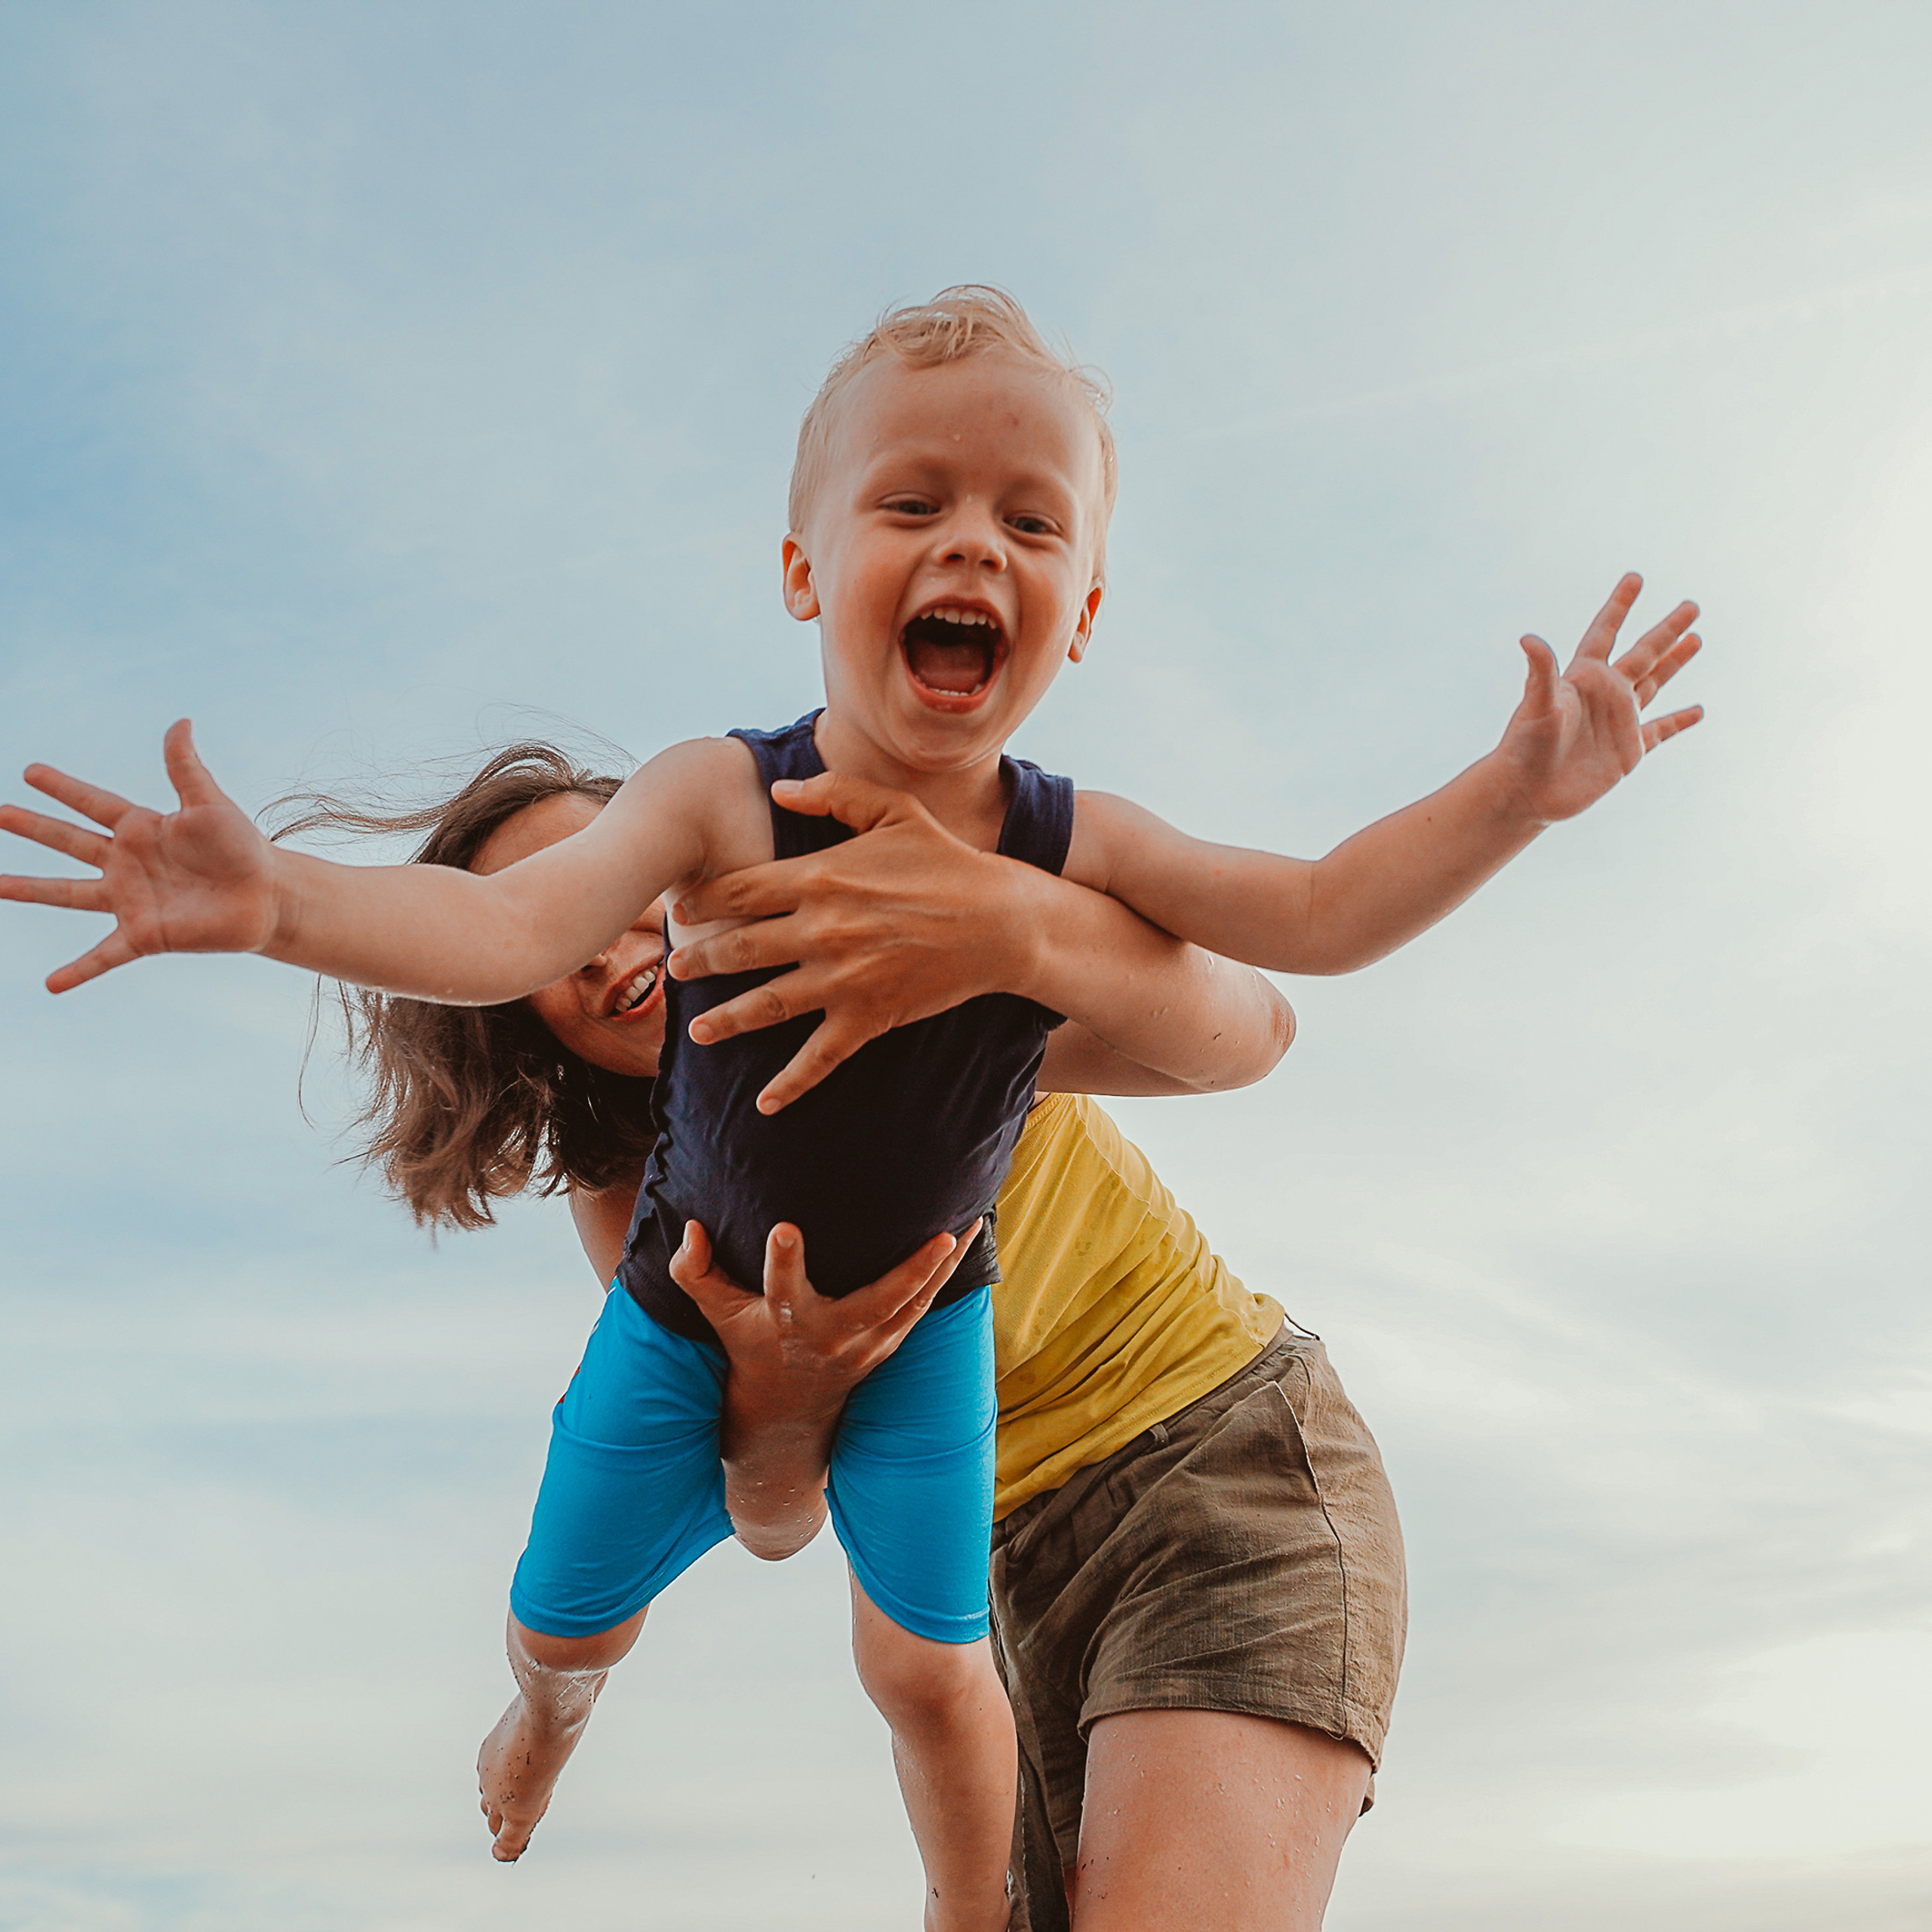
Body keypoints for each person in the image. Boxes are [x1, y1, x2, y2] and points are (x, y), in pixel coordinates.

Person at [0, 286, 1703, 1927]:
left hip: (1215, 1462)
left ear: (1086, 609)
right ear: (806, 565)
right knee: (868, 1650)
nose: (972, 545)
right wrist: (278, 902)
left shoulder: (1011, 862)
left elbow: (1291, 960)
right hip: (1003, 1549)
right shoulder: (675, 1017)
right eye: (915, 501)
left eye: (1029, 524)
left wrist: (1512, 795)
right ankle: (571, 1707)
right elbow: (758, 1491)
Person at [284, 742, 1396, 1932]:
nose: (614, 952)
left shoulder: (892, 954)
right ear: (522, 1022)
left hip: (1215, 1470)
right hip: (1001, 1573)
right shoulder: (633, 1196)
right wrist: (792, 1384)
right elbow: (775, 1515)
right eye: (562, 943)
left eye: (615, 894)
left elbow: (1248, 1034)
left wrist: (1018, 925)